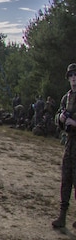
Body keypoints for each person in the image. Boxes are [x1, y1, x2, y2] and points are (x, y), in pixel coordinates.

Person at [51, 63, 76, 230]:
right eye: (71, 76)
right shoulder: (66, 97)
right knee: (66, 180)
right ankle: (62, 216)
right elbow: (58, 115)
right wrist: (60, 117)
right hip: (70, 144)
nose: (74, 79)